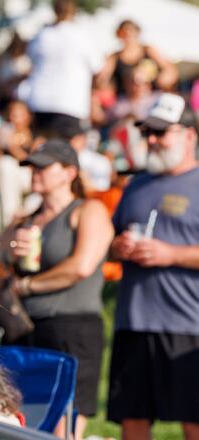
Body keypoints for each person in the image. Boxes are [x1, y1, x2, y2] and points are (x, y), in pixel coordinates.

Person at [0, 139, 113, 439]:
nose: (35, 172)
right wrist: (9, 247)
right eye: (32, 166)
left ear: (69, 172)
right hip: (23, 330)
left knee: (64, 427)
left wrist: (26, 286)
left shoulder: (88, 211)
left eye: (44, 166)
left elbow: (81, 267)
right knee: (22, 421)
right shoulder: (24, 220)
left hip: (71, 329)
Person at [107, 93, 199, 440]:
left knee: (193, 421)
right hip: (133, 321)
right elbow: (112, 245)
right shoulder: (137, 184)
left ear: (190, 134)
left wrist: (170, 254)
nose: (153, 140)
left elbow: (172, 252)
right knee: (132, 420)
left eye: (162, 132)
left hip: (188, 326)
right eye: (148, 132)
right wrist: (118, 247)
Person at [23, 0, 103, 139]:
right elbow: (98, 67)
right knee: (65, 151)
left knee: (43, 149)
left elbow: (30, 60)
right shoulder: (81, 36)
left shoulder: (42, 35)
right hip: (71, 103)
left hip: (41, 101)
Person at [96, 19, 177, 98]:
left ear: (137, 33)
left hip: (152, 98)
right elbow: (101, 81)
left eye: (131, 32)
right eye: (124, 33)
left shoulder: (149, 50)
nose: (128, 36)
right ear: (119, 35)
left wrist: (159, 80)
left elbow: (170, 71)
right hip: (127, 102)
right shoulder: (114, 57)